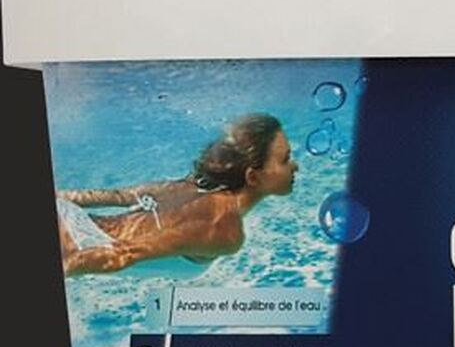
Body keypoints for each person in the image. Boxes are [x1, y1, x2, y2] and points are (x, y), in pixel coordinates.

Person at [56, 113, 298, 276]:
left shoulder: (189, 188)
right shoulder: (223, 229)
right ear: (253, 177)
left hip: (69, 222)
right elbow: (123, 254)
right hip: (72, 243)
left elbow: (114, 196)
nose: (295, 166)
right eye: (285, 159)